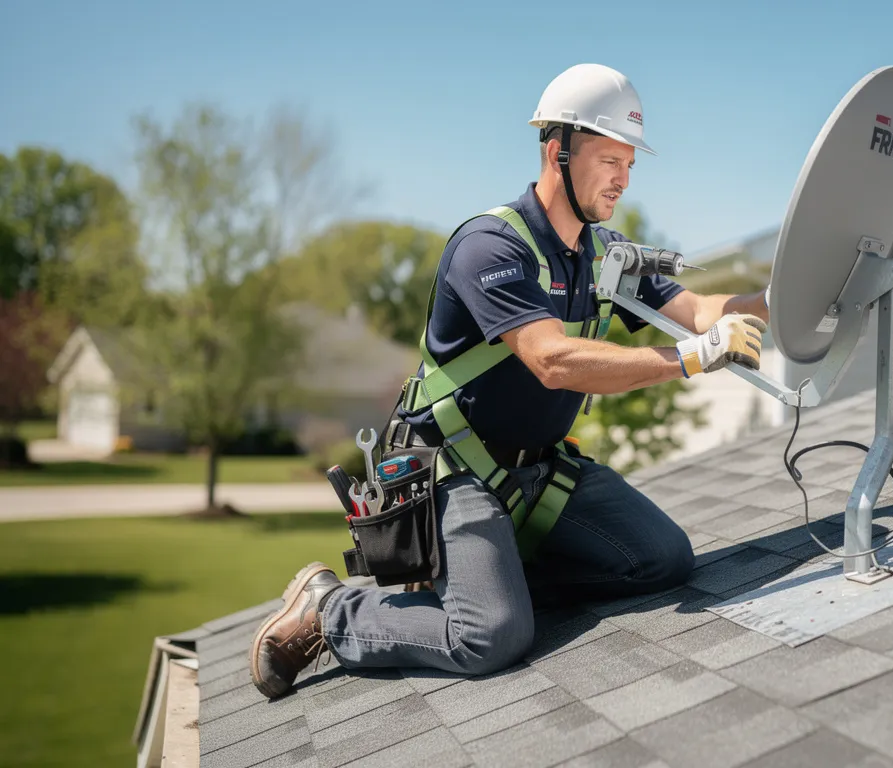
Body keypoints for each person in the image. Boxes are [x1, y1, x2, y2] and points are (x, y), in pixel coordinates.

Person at [249, 63, 770, 699]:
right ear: (558, 152)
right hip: (452, 470)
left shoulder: (606, 255)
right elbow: (552, 359)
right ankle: (330, 611)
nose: (624, 179)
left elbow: (702, 310)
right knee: (489, 636)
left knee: (663, 559)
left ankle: (487, 584)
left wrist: (788, 299)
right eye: (610, 160)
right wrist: (689, 359)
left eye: (630, 163)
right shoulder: (491, 247)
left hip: (541, 470)